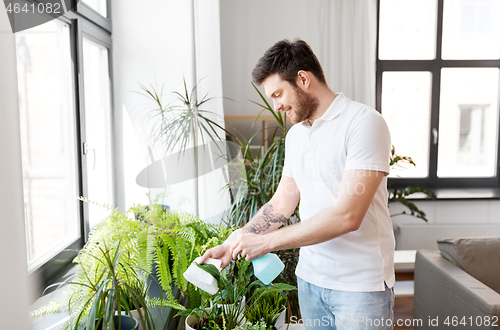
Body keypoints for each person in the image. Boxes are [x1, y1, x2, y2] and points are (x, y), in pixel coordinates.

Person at [199, 39, 395, 330]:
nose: (276, 106)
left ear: (303, 79)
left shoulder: (364, 123)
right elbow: (280, 205)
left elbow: (348, 216)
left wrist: (266, 243)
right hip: (311, 281)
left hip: (360, 286)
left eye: (279, 93)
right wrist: (234, 243)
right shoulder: (296, 136)